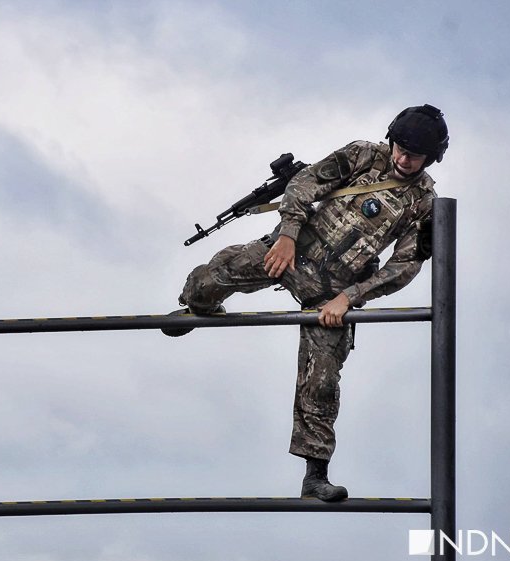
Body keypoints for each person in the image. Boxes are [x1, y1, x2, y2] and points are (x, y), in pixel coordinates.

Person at [172, 104, 449, 501]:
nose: (404, 159)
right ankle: (196, 309)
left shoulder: (424, 203)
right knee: (211, 276)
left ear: (430, 157)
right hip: (291, 253)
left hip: (333, 293)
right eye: (400, 148)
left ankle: (315, 477)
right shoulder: (362, 155)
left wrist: (349, 298)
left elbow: (403, 266)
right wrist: (286, 235)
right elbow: (304, 184)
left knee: (322, 381)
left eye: (415, 155)